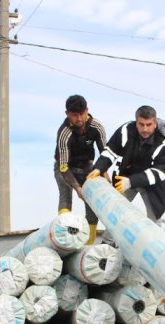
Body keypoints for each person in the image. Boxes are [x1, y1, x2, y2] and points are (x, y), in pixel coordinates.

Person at [87, 105, 165, 223]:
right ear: (136, 122)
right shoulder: (126, 130)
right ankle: (109, 240)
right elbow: (110, 151)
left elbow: (159, 172)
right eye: (141, 124)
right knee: (114, 210)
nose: (145, 129)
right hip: (126, 176)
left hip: (155, 186)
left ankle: (150, 240)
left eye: (148, 125)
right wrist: (99, 168)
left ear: (155, 122)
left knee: (153, 220)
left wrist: (131, 181)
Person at [55, 94, 108, 244]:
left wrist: (104, 171)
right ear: (67, 114)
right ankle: (64, 238)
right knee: (66, 195)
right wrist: (78, 188)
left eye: (81, 114)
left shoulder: (97, 126)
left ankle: (88, 246)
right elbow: (63, 166)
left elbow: (105, 153)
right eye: (74, 115)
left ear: (87, 110)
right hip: (65, 168)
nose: (79, 119)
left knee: (92, 203)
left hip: (86, 166)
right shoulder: (64, 133)